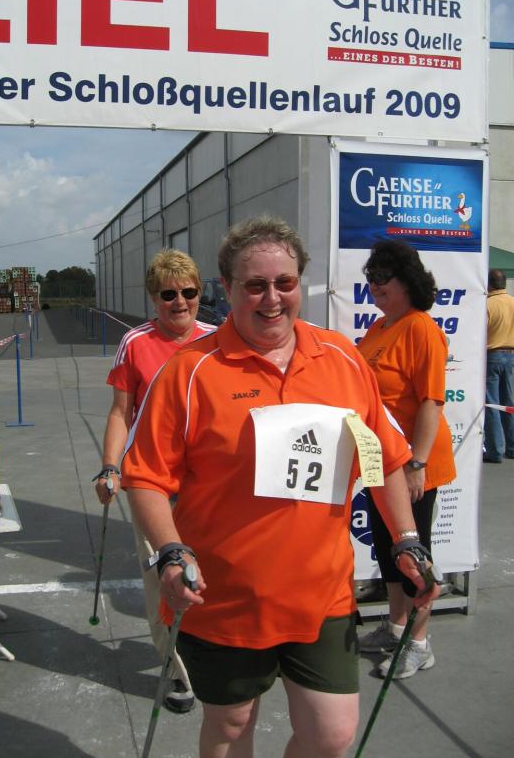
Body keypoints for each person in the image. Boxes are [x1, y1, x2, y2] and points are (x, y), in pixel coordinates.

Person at [121, 216, 440, 758]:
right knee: (230, 726)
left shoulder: (342, 358)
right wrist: (171, 552)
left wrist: (407, 539)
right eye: (255, 285)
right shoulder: (189, 372)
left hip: (322, 594)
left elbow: (384, 458)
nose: (272, 299)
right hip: (226, 599)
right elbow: (146, 477)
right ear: (227, 288)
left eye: (284, 283)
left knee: (332, 735)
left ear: (300, 284)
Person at [93, 248, 215, 713]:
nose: (180, 302)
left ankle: (213, 654)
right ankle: (179, 671)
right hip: (152, 483)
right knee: (164, 581)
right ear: (153, 298)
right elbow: (119, 413)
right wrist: (110, 466)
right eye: (168, 294)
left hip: (206, 483)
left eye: (189, 292)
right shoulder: (136, 342)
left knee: (212, 576)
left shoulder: (218, 339)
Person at [357, 240, 456, 680]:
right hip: (380, 461)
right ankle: (397, 627)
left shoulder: (420, 328)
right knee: (386, 549)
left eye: (383, 277)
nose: (375, 286)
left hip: (412, 463)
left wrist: (417, 464)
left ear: (407, 281)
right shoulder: (380, 327)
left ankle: (419, 643)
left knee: (414, 552)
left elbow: (431, 401)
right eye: (370, 278)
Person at [483, 268, 514, 463]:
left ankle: (495, 450)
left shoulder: (487, 304)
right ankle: (512, 446)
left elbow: (480, 331)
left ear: (489, 284)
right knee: (508, 403)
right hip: (510, 354)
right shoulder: (512, 301)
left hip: (492, 354)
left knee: (492, 403)